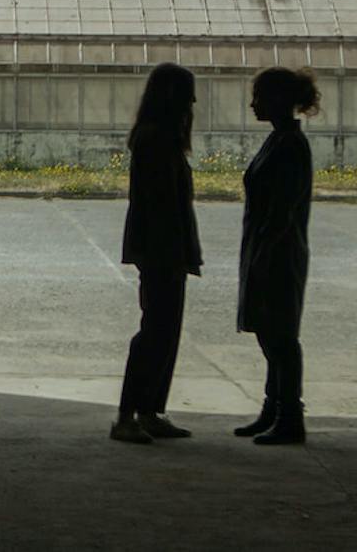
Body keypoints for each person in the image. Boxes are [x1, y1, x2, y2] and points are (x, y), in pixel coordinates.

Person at [110, 62, 203, 445]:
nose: (193, 100)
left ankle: (147, 411)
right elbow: (160, 204)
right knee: (155, 333)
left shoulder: (157, 137)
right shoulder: (156, 141)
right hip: (162, 249)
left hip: (165, 249)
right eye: (187, 92)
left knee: (163, 332)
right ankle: (129, 414)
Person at [234, 66, 320, 446]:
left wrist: (264, 253)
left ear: (278, 100)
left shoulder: (289, 145)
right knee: (270, 333)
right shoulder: (280, 140)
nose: (253, 104)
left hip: (277, 251)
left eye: (260, 96)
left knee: (281, 335)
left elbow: (283, 209)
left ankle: (289, 416)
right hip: (266, 247)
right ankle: (274, 408)